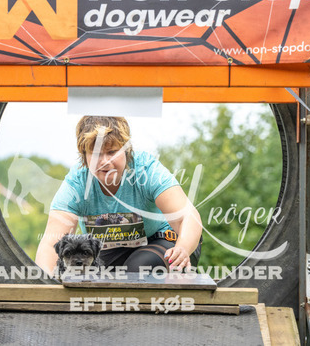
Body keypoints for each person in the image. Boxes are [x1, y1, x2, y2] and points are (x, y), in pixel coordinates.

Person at [35, 116, 202, 276]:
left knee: (137, 269)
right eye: (96, 154)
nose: (105, 161)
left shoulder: (146, 170)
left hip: (164, 242)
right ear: (84, 156)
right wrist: (46, 285)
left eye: (112, 152)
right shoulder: (77, 183)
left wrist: (183, 248)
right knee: (87, 273)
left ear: (126, 151)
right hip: (111, 250)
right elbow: (51, 244)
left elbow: (187, 217)